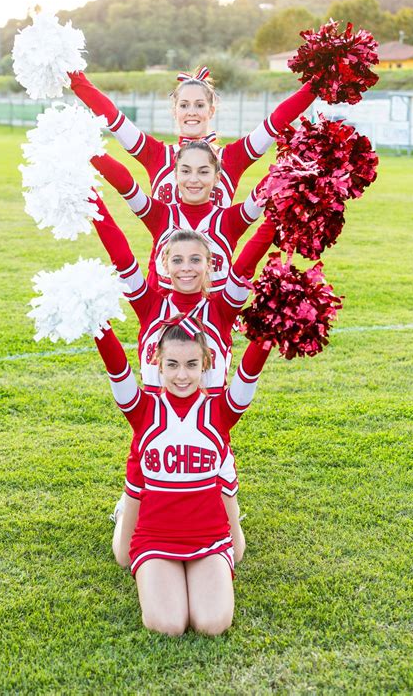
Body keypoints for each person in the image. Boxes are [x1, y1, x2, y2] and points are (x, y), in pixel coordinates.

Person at [91, 192, 275, 565]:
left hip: (209, 435)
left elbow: (251, 257)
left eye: (196, 260)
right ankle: (128, 508)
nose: (186, 268)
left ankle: (210, 504)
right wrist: (93, 201)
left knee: (235, 555)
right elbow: (120, 254)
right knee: (125, 557)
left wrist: (284, 210)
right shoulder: (149, 304)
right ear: (163, 264)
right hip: (153, 433)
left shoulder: (223, 308)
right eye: (177, 260)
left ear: (210, 265)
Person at [95, 315, 272, 635]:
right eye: (172, 364)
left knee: (212, 624)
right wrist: (98, 326)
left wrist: (268, 334)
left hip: (208, 535)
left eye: (191, 364)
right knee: (168, 625)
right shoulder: (142, 410)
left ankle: (198, 568)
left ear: (205, 364)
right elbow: (117, 370)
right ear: (158, 365)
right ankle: (124, 512)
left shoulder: (219, 411)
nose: (181, 374)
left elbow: (248, 375)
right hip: (155, 535)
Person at [69, 66, 316, 206]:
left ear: (211, 109)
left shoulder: (233, 157)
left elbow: (277, 120)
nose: (192, 112)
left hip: (216, 284)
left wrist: (317, 83)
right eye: (184, 105)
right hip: (163, 284)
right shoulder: (156, 154)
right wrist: (74, 77)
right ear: (174, 111)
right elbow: (112, 116)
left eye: (199, 105)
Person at [92, 139, 267, 293]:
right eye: (185, 171)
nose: (193, 179)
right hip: (165, 324)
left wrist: (292, 164)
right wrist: (86, 149)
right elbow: (125, 185)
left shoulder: (230, 220)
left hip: (212, 324)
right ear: (175, 175)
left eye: (204, 171)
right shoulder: (161, 215)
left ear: (217, 178)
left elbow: (271, 187)